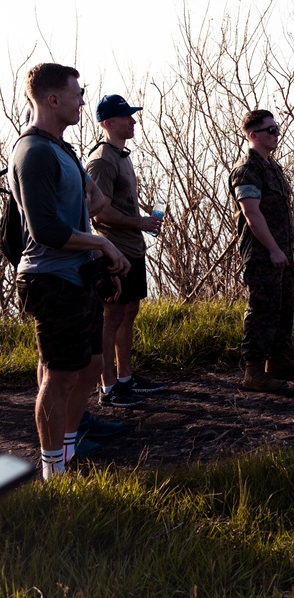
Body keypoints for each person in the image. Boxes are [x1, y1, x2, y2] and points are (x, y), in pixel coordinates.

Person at [10, 63, 129, 480]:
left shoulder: (62, 149)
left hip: (78, 276)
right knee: (59, 377)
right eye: (77, 93)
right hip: (49, 279)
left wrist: (96, 237)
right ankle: (52, 473)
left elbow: (94, 201)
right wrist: (100, 242)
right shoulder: (33, 152)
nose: (83, 100)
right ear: (52, 99)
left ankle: (68, 448)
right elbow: (46, 231)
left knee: (93, 366)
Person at [86, 94, 165, 408]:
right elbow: (98, 212)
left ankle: (126, 378)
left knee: (129, 312)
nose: (133, 120)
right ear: (109, 123)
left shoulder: (122, 155)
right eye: (126, 116)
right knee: (112, 316)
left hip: (133, 247)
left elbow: (118, 204)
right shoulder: (102, 160)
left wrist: (143, 220)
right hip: (114, 250)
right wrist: (140, 222)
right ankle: (108, 388)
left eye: (132, 115)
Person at [229, 110, 294, 391]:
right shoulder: (247, 169)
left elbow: (286, 209)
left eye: (277, 129)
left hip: (283, 250)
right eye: (270, 130)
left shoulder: (272, 167)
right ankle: (254, 372)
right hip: (263, 253)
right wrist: (274, 249)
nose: (277, 134)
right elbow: (252, 213)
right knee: (262, 310)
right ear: (254, 136)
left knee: (284, 307)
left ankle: (277, 361)